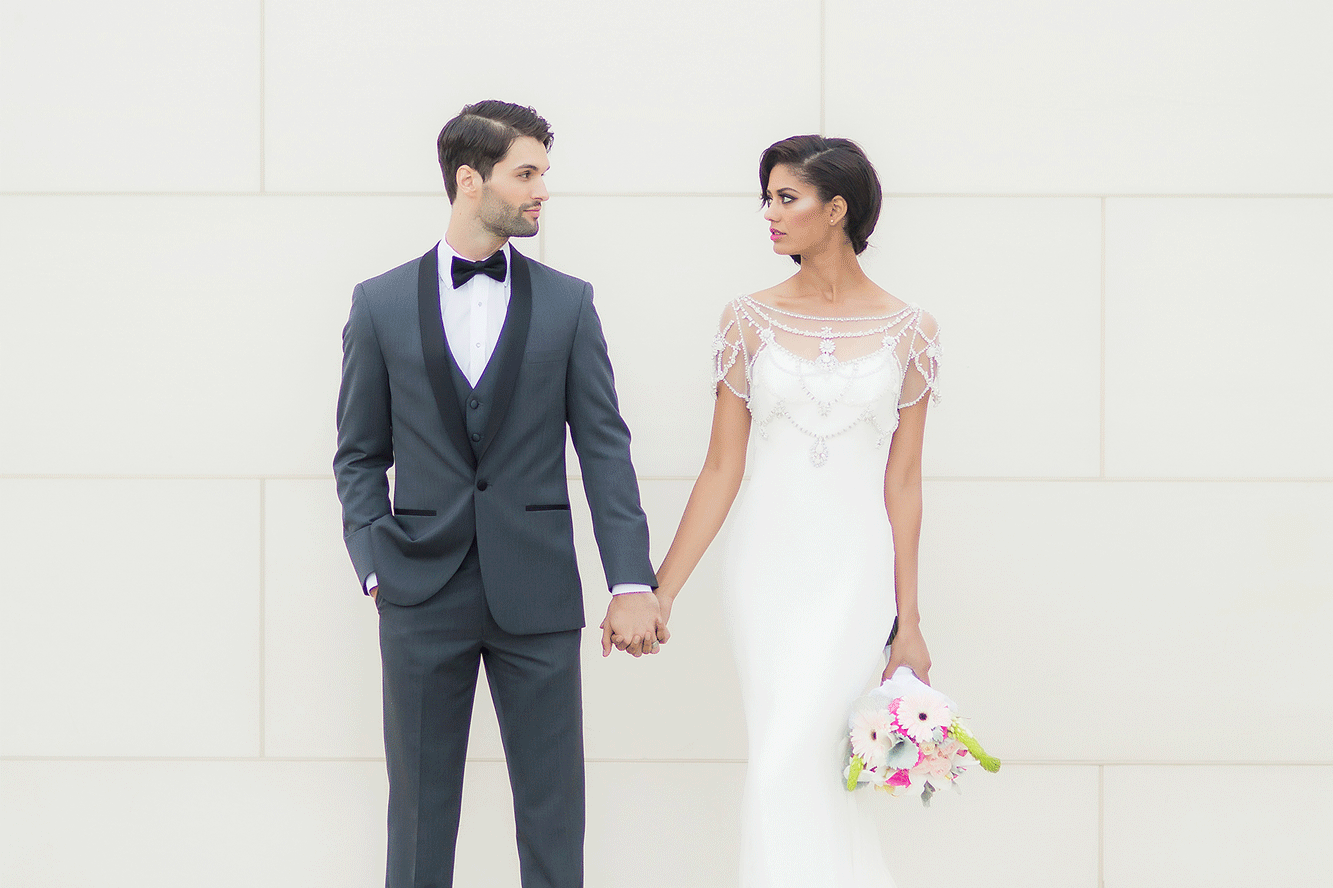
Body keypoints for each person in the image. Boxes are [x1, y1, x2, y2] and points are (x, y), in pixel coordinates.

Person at [333, 99, 666, 888]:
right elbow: (357, 456)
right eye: (527, 174)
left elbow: (605, 451)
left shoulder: (568, 302)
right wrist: (378, 568)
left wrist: (629, 580)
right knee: (417, 816)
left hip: (539, 590)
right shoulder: (378, 304)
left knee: (554, 813)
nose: (541, 190)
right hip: (419, 591)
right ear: (468, 178)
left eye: (544, 174)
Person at [630, 135, 941, 886]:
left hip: (855, 573)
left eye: (785, 197)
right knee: (780, 755)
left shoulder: (911, 332)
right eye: (765, 197)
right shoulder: (746, 321)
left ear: (836, 210)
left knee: (798, 761)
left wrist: (910, 621)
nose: (767, 214)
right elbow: (719, 470)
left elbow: (903, 484)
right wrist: (658, 590)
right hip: (765, 571)